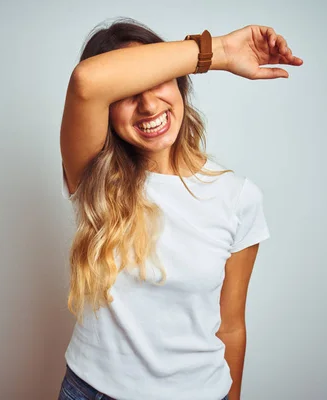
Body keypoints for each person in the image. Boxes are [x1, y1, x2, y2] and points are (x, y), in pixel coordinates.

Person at [58, 18, 303, 400]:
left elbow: (231, 325)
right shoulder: (93, 176)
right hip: (92, 391)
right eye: (126, 92)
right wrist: (218, 51)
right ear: (106, 109)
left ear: (180, 81)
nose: (148, 105)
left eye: (157, 81)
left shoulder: (237, 197)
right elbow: (86, 82)